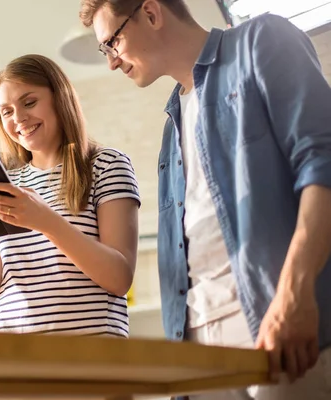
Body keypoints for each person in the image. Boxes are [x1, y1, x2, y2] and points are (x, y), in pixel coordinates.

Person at [79, 0, 331, 399]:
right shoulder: (171, 128)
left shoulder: (261, 42)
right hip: (200, 358)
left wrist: (294, 295)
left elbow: (323, 165)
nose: (112, 62)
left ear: (150, 12)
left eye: (113, 42)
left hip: (280, 331)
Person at [0, 54, 141, 337]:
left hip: (91, 355)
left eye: (29, 102)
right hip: (17, 361)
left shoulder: (106, 165)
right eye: (6, 111)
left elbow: (119, 279)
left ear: (60, 97)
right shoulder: (4, 183)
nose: (19, 118)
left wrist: (46, 221)